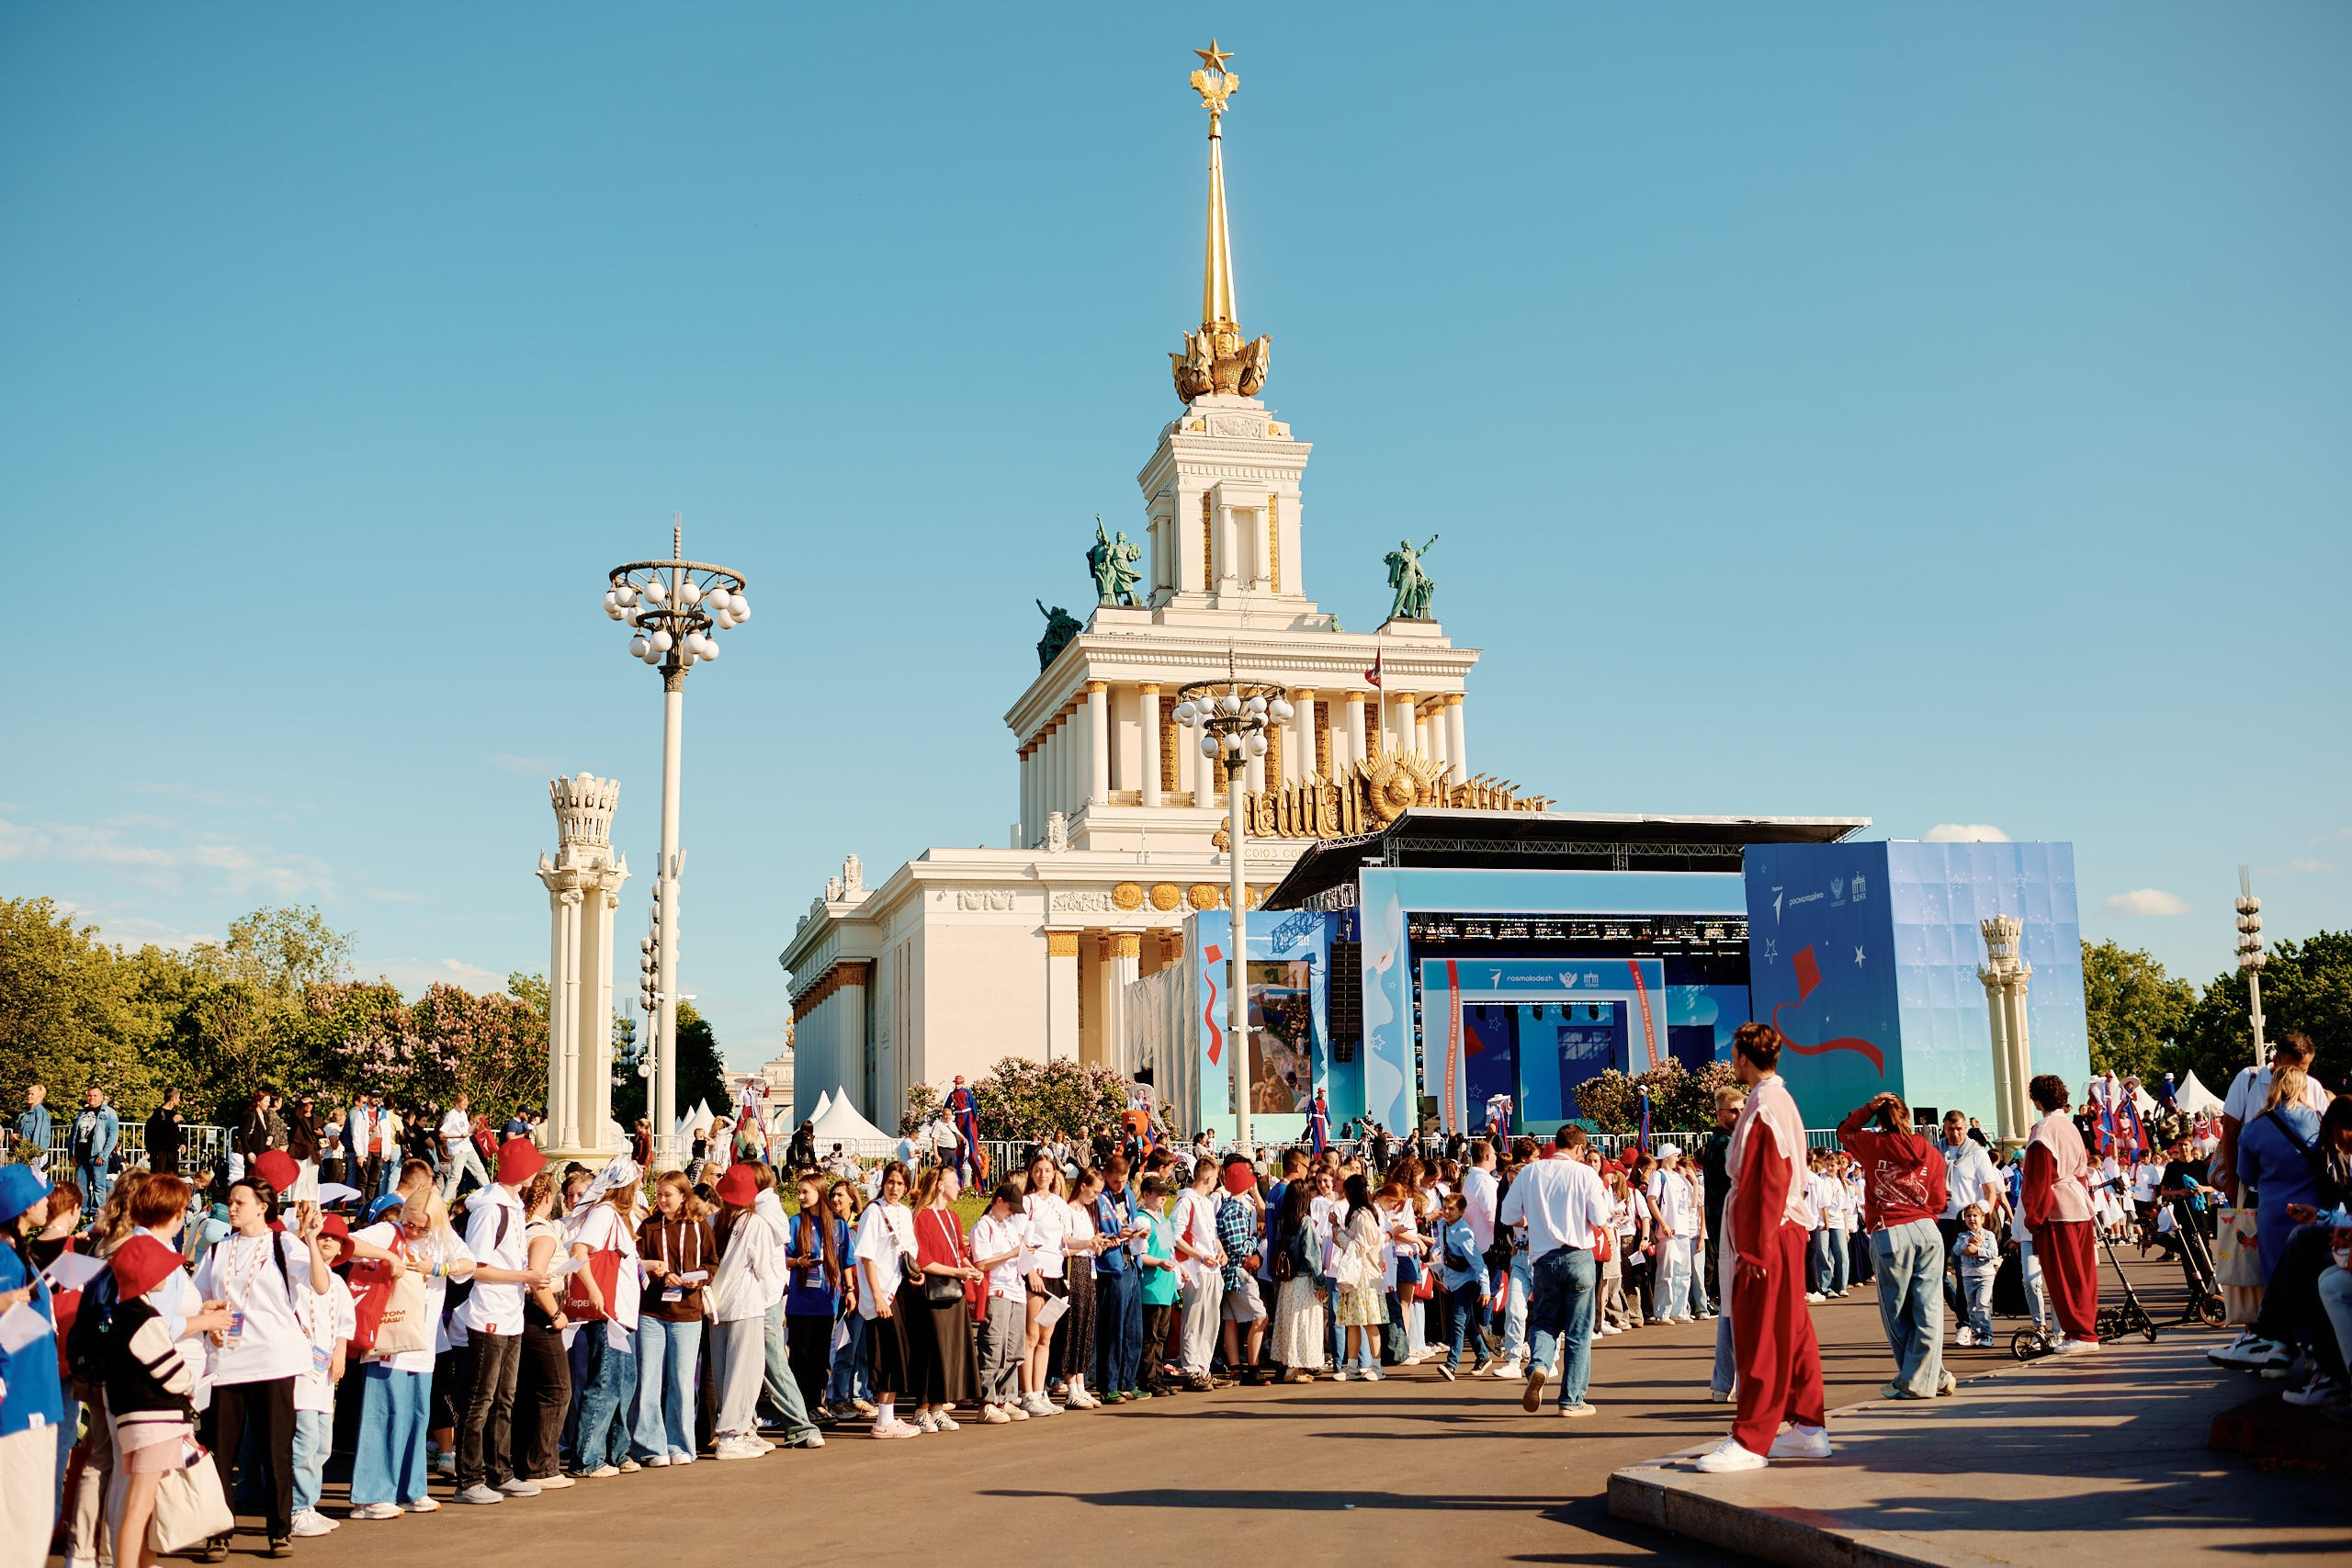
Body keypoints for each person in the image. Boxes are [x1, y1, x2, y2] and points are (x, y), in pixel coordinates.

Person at [1698, 1023, 1829, 1472]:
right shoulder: (1775, 1098)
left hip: (1768, 1232)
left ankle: (1752, 1438)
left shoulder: (1766, 1103)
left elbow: (1769, 1178)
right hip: (1781, 1228)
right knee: (1791, 1330)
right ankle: (1809, 1428)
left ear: (1741, 1057)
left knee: (1761, 1335)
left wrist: (1754, 1247)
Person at [192, 1168, 333, 1557]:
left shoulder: (283, 1245)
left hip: (273, 1360)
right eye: (231, 1202)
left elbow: (320, 1286)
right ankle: (218, 1530)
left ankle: (279, 1529)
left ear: (262, 1208)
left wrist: (310, 1238)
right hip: (225, 1362)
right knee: (219, 1451)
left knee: (276, 1450)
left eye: (240, 1203)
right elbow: (197, 1297)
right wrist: (209, 1318)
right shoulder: (220, 1248)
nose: (232, 1208)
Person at [449, 1135, 553, 1504]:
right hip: (487, 1314)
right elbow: (476, 1268)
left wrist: (523, 1278)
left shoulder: (510, 1204)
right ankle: (470, 1479)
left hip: (508, 1314)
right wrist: (525, 1277)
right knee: (480, 1401)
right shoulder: (492, 1209)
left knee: (503, 1399)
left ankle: (500, 1472)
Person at [1838, 1091, 1951, 1400]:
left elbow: (1844, 1132)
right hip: (1927, 1229)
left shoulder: (1874, 1145)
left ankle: (1913, 1380)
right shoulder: (1929, 1150)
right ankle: (1934, 1375)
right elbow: (1940, 1200)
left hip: (1891, 1230)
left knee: (1897, 1312)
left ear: (1880, 1119)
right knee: (1929, 1310)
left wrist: (1867, 1107)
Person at [1499, 1127, 1609, 1417]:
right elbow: (1599, 1217)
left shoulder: (1530, 1172)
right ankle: (1572, 1399)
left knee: (1545, 1320)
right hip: (1578, 1256)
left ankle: (1539, 1365)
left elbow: (1507, 1215)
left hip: (1544, 1258)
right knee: (1578, 1331)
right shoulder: (1585, 1174)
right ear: (1579, 1148)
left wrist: (1529, 1220)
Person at [0, 1164, 64, 1568]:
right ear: (22, 1205)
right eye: (41, 1197)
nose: (47, 1204)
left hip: (38, 1394)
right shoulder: (4, 1259)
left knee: (34, 1511)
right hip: (18, 1400)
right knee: (20, 1514)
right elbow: (9, 1331)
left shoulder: (15, 1255)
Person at [563, 1159, 643, 1479]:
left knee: (623, 1383)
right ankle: (588, 1458)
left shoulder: (618, 1217)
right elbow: (579, 1250)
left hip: (622, 1312)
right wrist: (595, 1291)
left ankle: (615, 1451)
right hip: (609, 1311)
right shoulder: (605, 1213)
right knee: (605, 1383)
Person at [634, 1170, 712, 1465]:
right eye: (659, 1194)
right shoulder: (649, 1226)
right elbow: (636, 1264)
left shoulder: (699, 1226)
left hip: (688, 1313)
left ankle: (680, 1444)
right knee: (649, 1379)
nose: (662, 1199)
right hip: (652, 1312)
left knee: (681, 1381)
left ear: (683, 1195)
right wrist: (658, 1276)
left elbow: (711, 1263)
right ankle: (650, 1446)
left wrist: (699, 1279)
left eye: (668, 1194)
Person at [288, 1212, 356, 1537]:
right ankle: (297, 1508)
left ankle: (308, 1504)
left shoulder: (340, 1282)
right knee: (305, 1440)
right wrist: (309, 1240)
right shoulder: (298, 1270)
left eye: (334, 1238)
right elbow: (315, 1280)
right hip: (300, 1369)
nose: (328, 1241)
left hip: (324, 1373)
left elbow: (345, 1322)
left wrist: (340, 1351)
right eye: (323, 1236)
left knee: (322, 1444)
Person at [705, 1162, 778, 1459]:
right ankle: (732, 1434)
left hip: (716, 1303)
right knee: (746, 1370)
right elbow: (762, 1266)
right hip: (746, 1301)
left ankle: (743, 1428)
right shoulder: (755, 1223)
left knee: (724, 1369)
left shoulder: (713, 1220)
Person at [2023, 1073, 2100, 1351]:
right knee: (2082, 1273)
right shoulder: (2070, 1127)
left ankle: (2080, 1333)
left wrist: (2034, 1217)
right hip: (2079, 1205)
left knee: (2062, 1275)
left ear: (2036, 1099)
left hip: (2057, 1210)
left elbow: (2041, 1179)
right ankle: (2083, 1330)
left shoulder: (2043, 1130)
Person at [2235, 1059, 2327, 1287]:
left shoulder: (2253, 1127)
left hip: (2272, 1213)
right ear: (2302, 1088)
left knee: (2277, 1284)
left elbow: (2245, 1175)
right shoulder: (2317, 1121)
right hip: (2313, 1211)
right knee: (2313, 1282)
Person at [510, 1167, 573, 1490]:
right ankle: (541, 1466)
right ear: (549, 1197)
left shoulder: (522, 1228)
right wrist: (556, 1312)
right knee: (556, 1389)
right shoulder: (543, 1233)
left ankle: (527, 1462)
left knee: (530, 1389)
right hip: (539, 1313)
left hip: (526, 1313)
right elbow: (537, 1277)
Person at [852, 1161, 922, 1438]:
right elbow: (867, 1257)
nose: (895, 1188)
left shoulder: (904, 1213)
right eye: (891, 1182)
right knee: (884, 1353)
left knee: (898, 1353)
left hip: (901, 1288)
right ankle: (883, 1419)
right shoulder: (873, 1212)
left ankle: (890, 1415)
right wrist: (878, 1296)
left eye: (901, 1183)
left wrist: (916, 1273)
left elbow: (909, 1251)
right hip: (881, 1291)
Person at [907, 1166, 980, 1431]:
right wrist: (957, 1271)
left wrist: (970, 1270)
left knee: (950, 1352)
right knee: (931, 1351)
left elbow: (958, 1252)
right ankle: (921, 1409)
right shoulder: (921, 1217)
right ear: (940, 1185)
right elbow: (922, 1260)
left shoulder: (952, 1217)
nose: (959, 1187)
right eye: (955, 1182)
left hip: (954, 1289)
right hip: (931, 1293)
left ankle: (938, 1407)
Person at [970, 1180, 1029, 1422]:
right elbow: (982, 1263)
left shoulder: (1006, 1226)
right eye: (1010, 1207)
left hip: (1016, 1289)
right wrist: (1011, 1254)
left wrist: (1024, 1254)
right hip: (997, 1290)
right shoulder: (983, 1226)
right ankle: (987, 1401)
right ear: (999, 1202)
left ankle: (1006, 1397)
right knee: (994, 1346)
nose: (1013, 1213)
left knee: (1014, 1348)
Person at [1019, 1154, 1072, 1415]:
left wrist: (1093, 1242)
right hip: (1035, 1274)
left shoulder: (1060, 1205)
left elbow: (1067, 1242)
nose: (1042, 1175)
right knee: (1031, 1336)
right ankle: (1027, 1394)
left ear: (1054, 1175)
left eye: (1047, 1170)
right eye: (1038, 1170)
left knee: (1046, 1338)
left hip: (1055, 1274)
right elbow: (1019, 1240)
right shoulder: (1027, 1203)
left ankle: (1040, 1393)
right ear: (1032, 1173)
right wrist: (1030, 1271)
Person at [1090, 1159, 1145, 1402]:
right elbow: (1096, 1232)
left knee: (1133, 1328)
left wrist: (1139, 1232)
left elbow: (1131, 1221)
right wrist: (1117, 1235)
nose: (1120, 1185)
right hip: (1112, 1267)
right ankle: (1108, 1384)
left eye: (1124, 1181)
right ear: (1106, 1175)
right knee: (1112, 1328)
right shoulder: (1099, 1199)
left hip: (1131, 1261)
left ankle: (1128, 1381)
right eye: (1115, 1181)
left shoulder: (1129, 1194)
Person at [1936, 1110, 2001, 1306]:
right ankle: (1962, 1313)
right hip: (1940, 1218)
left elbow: (1990, 1191)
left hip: (1963, 1221)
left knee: (1962, 1272)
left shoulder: (1977, 1153)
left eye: (1959, 1129)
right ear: (1944, 1128)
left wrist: (1982, 1219)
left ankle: (1964, 1323)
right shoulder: (1935, 1152)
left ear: (1966, 1128)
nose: (1955, 1134)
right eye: (1950, 1129)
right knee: (1935, 1272)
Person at [1432, 1190, 1489, 1380]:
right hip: (1451, 1281)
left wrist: (1485, 1289)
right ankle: (1483, 1355)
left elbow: (1478, 1263)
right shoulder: (1443, 1225)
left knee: (1457, 1319)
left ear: (1462, 1212)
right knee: (1467, 1322)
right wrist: (1433, 1250)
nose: (1446, 1212)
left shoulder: (1464, 1233)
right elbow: (1440, 1243)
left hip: (1468, 1281)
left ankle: (1452, 1364)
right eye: (1444, 1208)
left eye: (1451, 1209)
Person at [1135, 1176, 1182, 1394]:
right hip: (1150, 1287)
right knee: (1150, 1336)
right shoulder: (1142, 1219)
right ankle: (1148, 1378)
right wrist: (1160, 1263)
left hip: (1165, 1286)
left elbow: (1169, 1251)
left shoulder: (1162, 1220)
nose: (1163, 1197)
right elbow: (1140, 1256)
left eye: (1164, 1193)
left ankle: (1158, 1377)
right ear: (1146, 1195)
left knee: (1161, 1336)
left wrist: (1178, 1270)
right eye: (1157, 1193)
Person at [1651, 1145, 1701, 1323]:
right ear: (1665, 1157)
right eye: (1674, 1155)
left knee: (1684, 1271)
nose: (1676, 1159)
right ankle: (1662, 1312)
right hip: (1668, 1230)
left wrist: (1694, 1183)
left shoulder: (1680, 1178)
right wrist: (1663, 1223)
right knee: (1667, 1272)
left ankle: (1679, 1310)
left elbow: (1692, 1204)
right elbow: (1651, 1200)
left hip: (1683, 1229)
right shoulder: (1658, 1176)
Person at [1951, 1204, 2000, 1346]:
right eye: (1968, 1216)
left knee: (1982, 1304)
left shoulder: (1989, 1235)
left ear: (1982, 1219)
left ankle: (1987, 1335)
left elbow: (1993, 1254)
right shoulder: (1962, 1236)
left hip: (1985, 1275)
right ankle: (1977, 1334)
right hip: (1968, 1276)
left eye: (1975, 1216)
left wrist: (1978, 1250)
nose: (1972, 1219)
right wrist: (1968, 1243)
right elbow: (1956, 1250)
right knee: (1971, 1307)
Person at [71, 1087, 120, 1216]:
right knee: (81, 1187)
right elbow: (73, 1135)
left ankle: (97, 1214)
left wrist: (104, 1155)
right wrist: (71, 1154)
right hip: (81, 1156)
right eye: (89, 1095)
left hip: (97, 1155)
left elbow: (113, 1136)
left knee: (99, 1186)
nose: (92, 1098)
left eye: (95, 1095)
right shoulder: (81, 1113)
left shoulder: (109, 1113)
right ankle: (83, 1213)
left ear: (102, 1097)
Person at [437, 1095, 486, 1201]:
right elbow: (442, 1135)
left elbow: (468, 1130)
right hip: (457, 1149)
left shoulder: (463, 1113)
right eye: (463, 1104)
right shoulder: (451, 1115)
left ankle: (490, 1193)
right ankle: (443, 1202)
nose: (465, 1107)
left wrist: (477, 1123)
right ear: (457, 1103)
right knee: (455, 1177)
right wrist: (459, 1136)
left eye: (466, 1104)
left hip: (468, 1147)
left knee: (480, 1171)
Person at [145, 1089, 186, 1179]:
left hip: (172, 1151)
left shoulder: (173, 1113)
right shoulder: (158, 1113)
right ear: (172, 1098)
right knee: (158, 1178)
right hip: (160, 1151)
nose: (180, 1100)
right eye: (178, 1098)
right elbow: (155, 1130)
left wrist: (182, 1142)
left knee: (172, 1178)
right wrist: (172, 1121)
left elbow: (175, 1130)